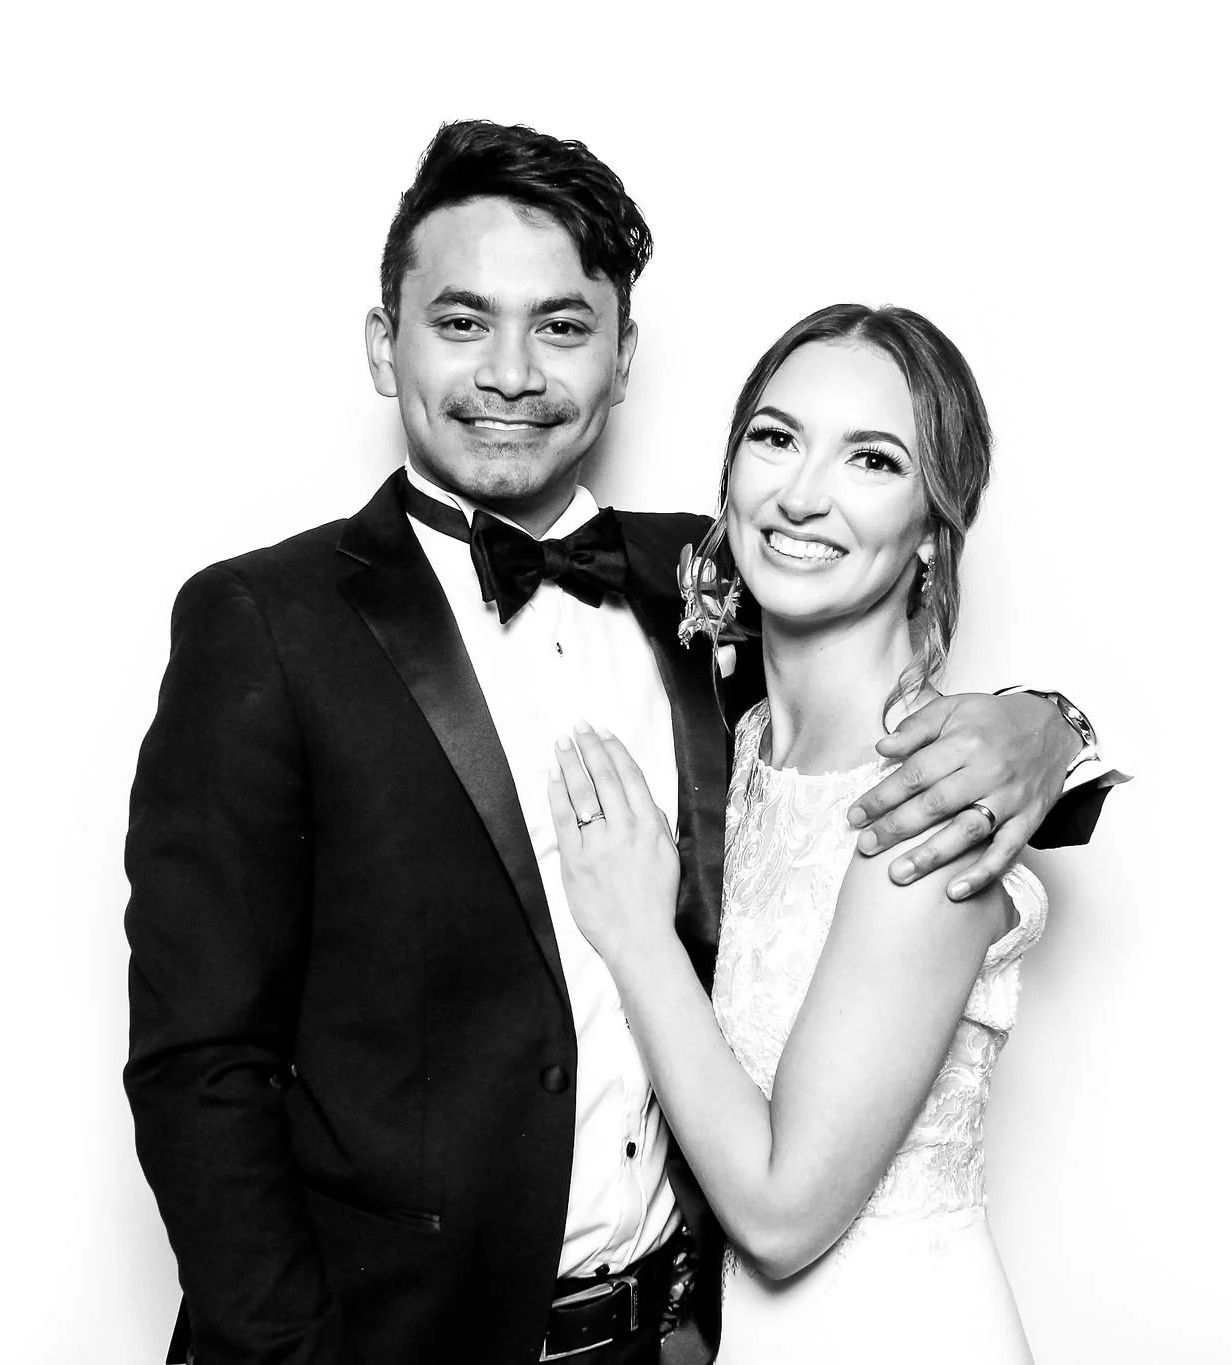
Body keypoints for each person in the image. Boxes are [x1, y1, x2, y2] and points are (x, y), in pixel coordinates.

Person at [123, 121, 1119, 1365]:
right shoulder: (261, 625)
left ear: (623, 355)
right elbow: (199, 1070)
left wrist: (1048, 724)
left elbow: (888, 719)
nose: (510, 371)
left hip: (677, 1340)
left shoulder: (713, 576)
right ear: (385, 347)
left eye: (559, 324)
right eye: (460, 320)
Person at [550, 304, 1060, 1362]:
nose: (799, 493)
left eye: (870, 459)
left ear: (932, 526)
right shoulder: (733, 740)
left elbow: (784, 1219)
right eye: (775, 438)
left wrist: (635, 933)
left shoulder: (923, 810)